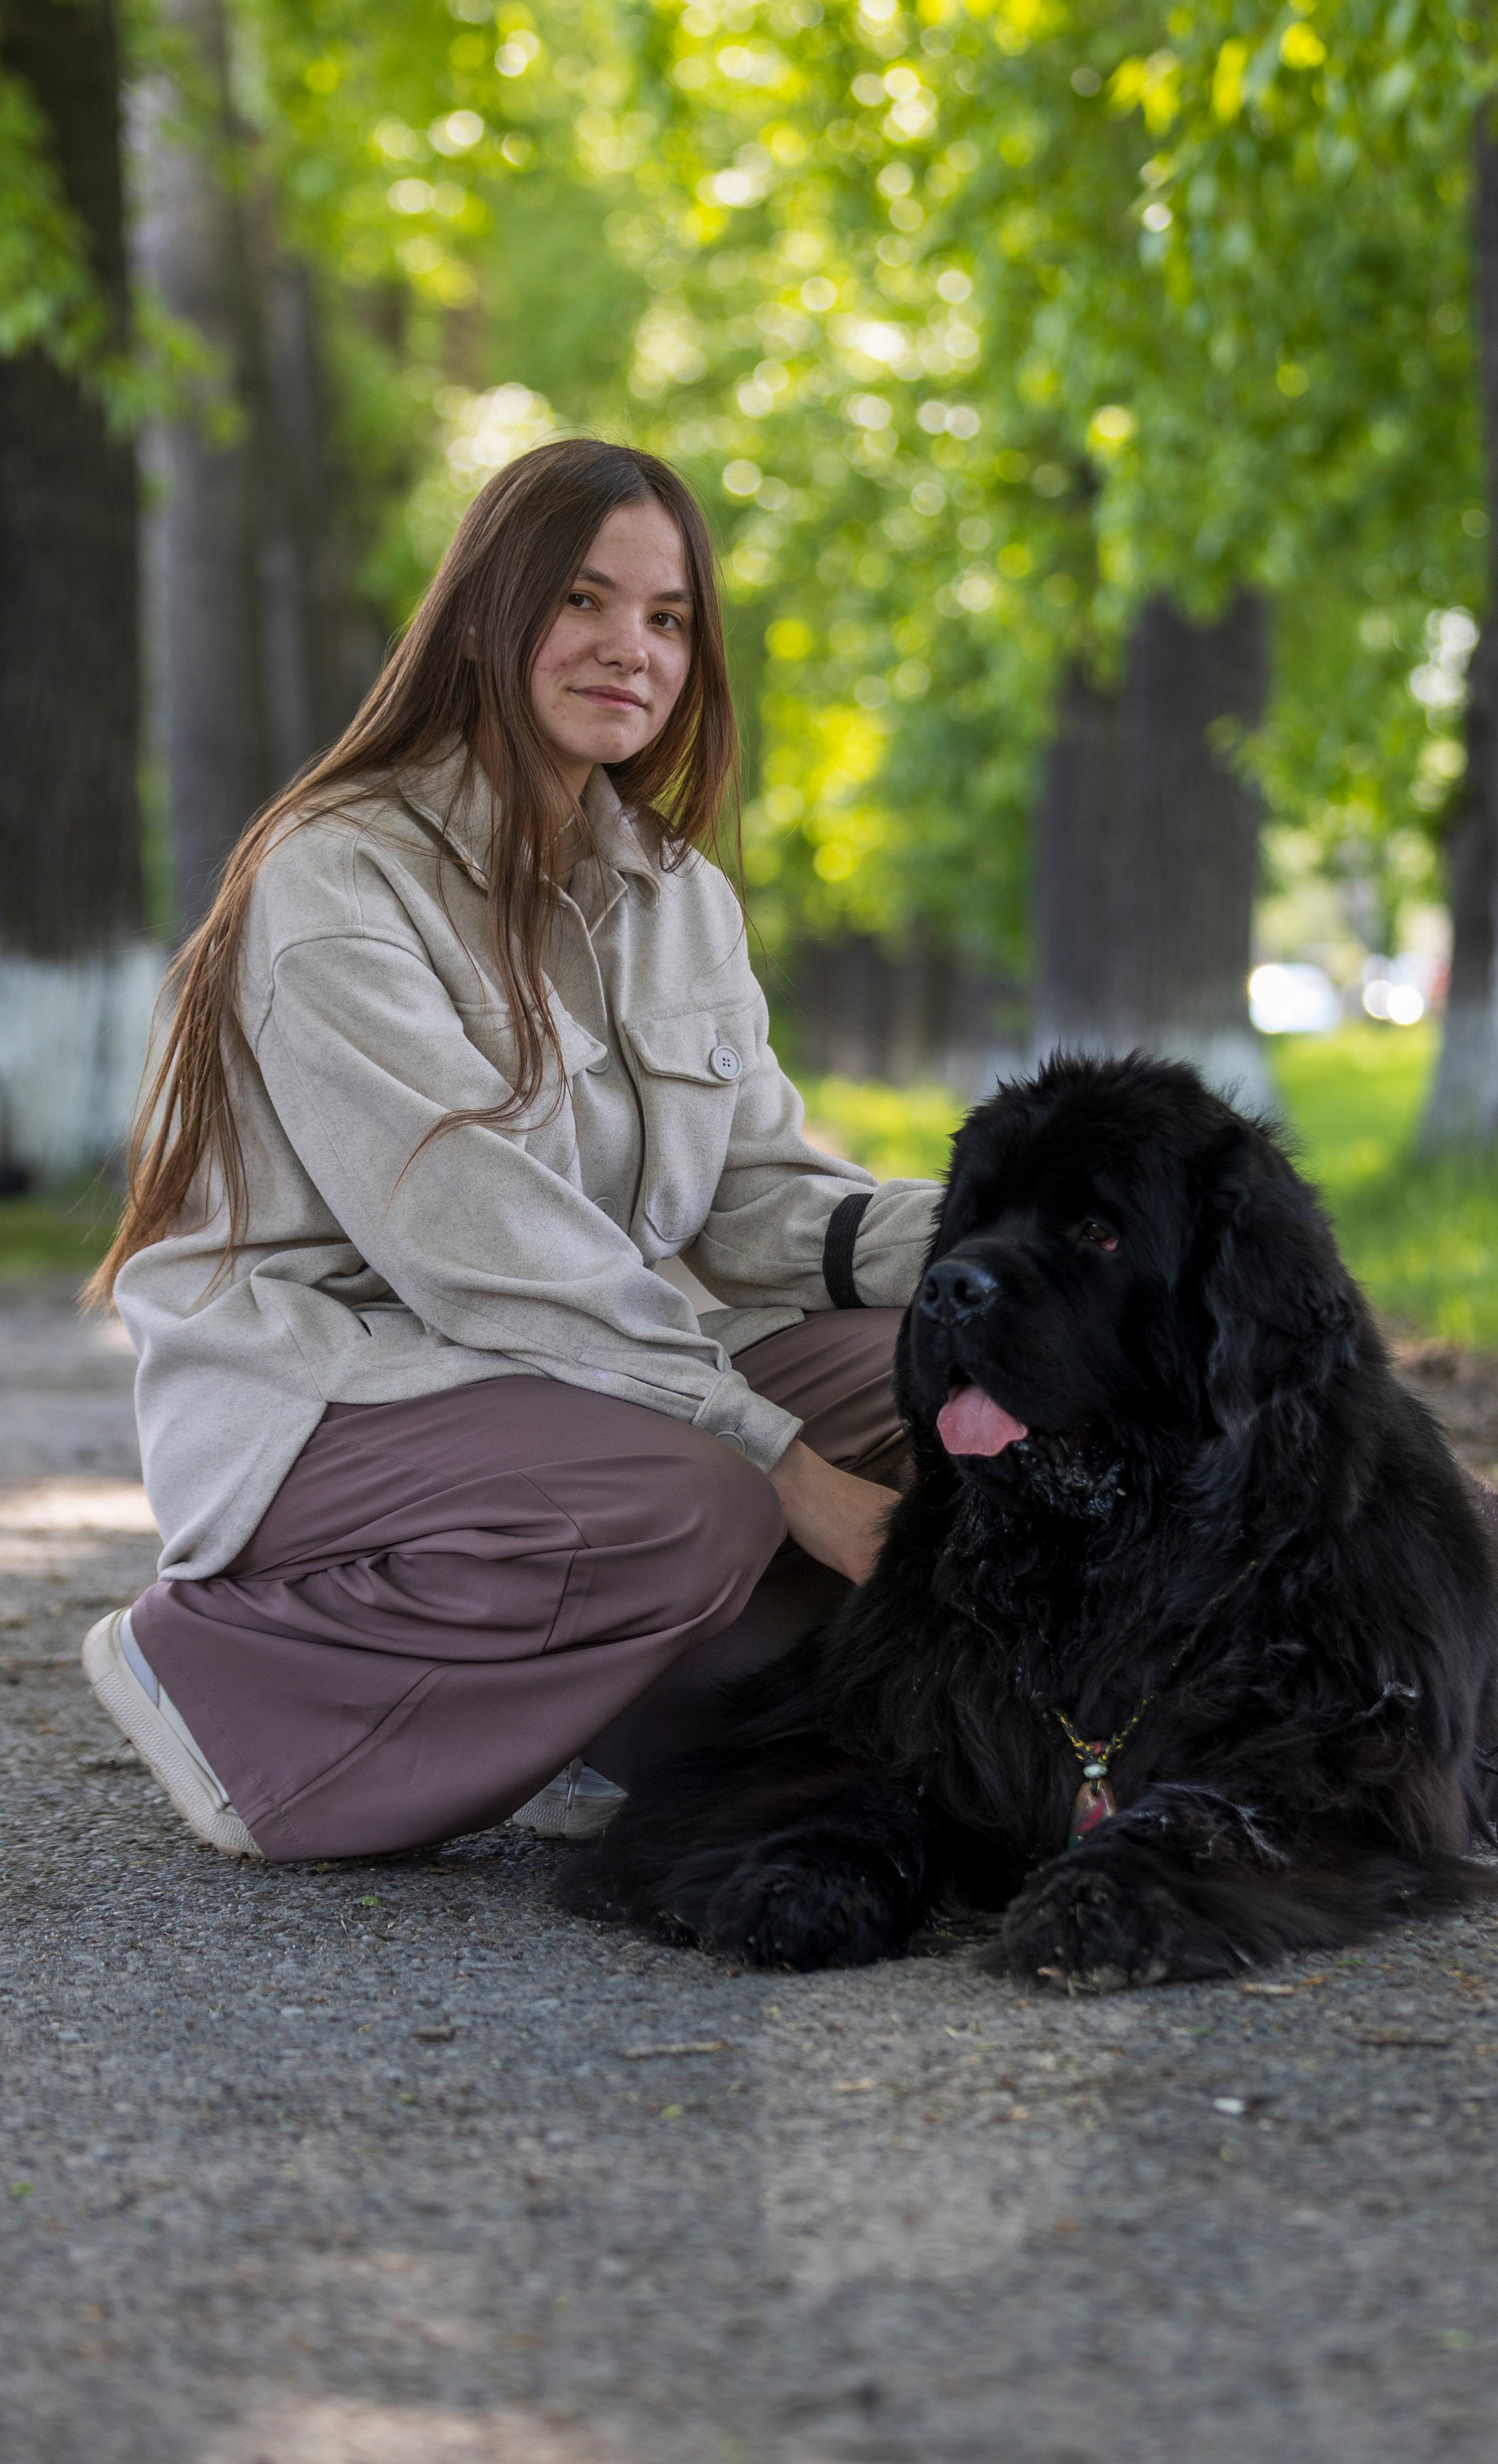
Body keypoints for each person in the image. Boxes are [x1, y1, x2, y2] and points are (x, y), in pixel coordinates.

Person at [81, 439, 938, 1863]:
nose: (629, 647)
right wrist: (781, 1458)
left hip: (568, 1378)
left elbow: (758, 1204)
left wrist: (1011, 1242)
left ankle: (631, 1718)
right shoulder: (338, 872)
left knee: (955, 1370)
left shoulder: (678, 896)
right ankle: (230, 1686)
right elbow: (473, 1239)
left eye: (667, 617)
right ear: (485, 616)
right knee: (698, 1500)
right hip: (337, 1389)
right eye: (582, 600)